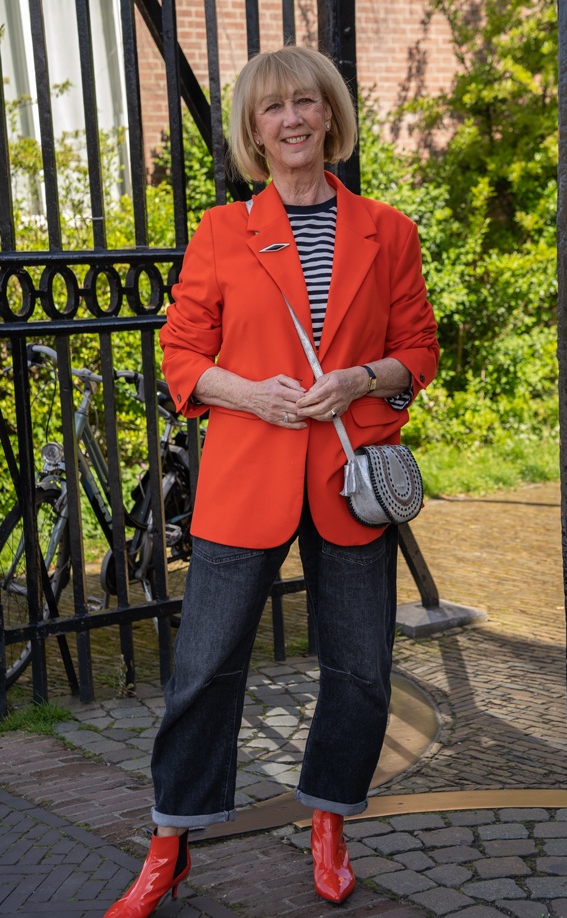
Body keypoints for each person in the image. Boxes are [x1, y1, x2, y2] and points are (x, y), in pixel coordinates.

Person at [104, 45, 438, 917]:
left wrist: (361, 379)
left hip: (347, 478)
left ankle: (329, 819)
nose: (290, 119)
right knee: (206, 667)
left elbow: (419, 354)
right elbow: (180, 356)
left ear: (330, 115)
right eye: (269, 109)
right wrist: (249, 392)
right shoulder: (222, 231)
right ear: (254, 131)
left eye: (305, 103)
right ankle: (169, 843)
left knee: (361, 670)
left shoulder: (387, 230)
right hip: (247, 475)